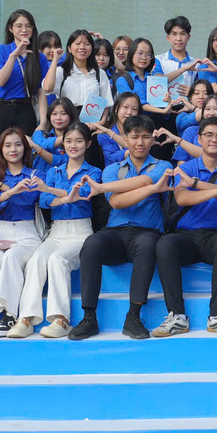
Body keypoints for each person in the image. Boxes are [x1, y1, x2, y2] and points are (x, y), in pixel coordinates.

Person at [70, 116, 174, 339]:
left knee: (147, 244)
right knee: (92, 244)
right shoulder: (112, 169)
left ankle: (133, 316)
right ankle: (89, 317)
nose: (140, 142)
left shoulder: (163, 166)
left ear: (153, 140)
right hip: (115, 233)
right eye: (134, 137)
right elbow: (116, 202)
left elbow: (145, 180)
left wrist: (103, 188)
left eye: (145, 137)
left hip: (147, 232)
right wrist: (152, 189)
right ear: (125, 140)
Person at [153, 119, 217, 336]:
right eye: (209, 135)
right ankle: (176, 316)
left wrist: (195, 184)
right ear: (199, 139)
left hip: (216, 236)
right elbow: (182, 198)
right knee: (165, 244)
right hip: (186, 237)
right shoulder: (185, 167)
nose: (214, 139)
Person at [11, 124, 101, 338]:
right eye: (68, 141)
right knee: (36, 260)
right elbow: (44, 201)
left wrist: (52, 191)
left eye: (79, 141)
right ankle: (26, 318)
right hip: (56, 231)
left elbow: (82, 194)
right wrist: (64, 197)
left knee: (57, 260)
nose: (73, 145)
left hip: (80, 232)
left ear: (88, 143)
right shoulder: (53, 171)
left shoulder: (94, 172)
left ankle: (61, 320)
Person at [0, 128, 42, 337]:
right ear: (0, 151)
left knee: (12, 256)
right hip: (2, 232)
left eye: (18, 144)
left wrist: (1, 188)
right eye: (8, 145)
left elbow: (27, 199)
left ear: (25, 148)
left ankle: (10, 314)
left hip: (27, 234)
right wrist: (9, 189)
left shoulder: (35, 174)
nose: (13, 149)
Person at [0, 10, 49, 139]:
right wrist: (14, 55)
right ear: (10, 28)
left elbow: (41, 90)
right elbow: (0, 81)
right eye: (19, 26)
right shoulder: (1, 50)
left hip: (25, 109)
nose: (24, 29)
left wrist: (43, 121)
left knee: (25, 147)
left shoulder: (39, 57)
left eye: (28, 26)